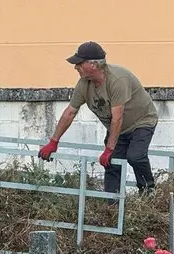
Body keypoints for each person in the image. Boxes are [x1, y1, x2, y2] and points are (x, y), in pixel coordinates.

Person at [38, 41, 159, 194]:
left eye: (79, 63)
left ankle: (148, 193)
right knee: (111, 163)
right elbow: (70, 112)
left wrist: (109, 148)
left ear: (93, 64)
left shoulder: (117, 80)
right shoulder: (84, 84)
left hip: (141, 121)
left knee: (135, 156)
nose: (76, 67)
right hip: (118, 127)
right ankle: (112, 203)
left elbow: (117, 118)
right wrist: (53, 142)